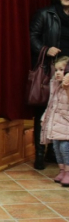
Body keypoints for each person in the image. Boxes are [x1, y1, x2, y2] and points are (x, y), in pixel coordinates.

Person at [29, 0, 69, 169]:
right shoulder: (45, 13)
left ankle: (55, 154)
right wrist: (45, 49)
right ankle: (39, 154)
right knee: (44, 111)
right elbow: (32, 36)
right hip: (49, 70)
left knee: (65, 112)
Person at [40, 56, 69, 186]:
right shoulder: (55, 85)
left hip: (66, 122)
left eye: (61, 69)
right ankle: (62, 170)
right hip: (56, 121)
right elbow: (51, 104)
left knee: (65, 148)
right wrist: (45, 116)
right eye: (56, 69)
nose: (57, 72)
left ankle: (68, 172)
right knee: (56, 147)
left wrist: (67, 87)